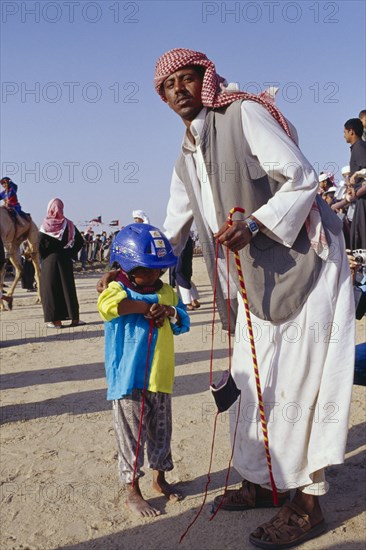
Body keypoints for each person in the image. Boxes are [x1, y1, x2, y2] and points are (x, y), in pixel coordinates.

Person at [152, 48, 355, 548]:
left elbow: (302, 176)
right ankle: (261, 483)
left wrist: (257, 222)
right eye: (168, 84)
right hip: (252, 282)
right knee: (249, 382)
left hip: (306, 267)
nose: (179, 88)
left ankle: (307, 503)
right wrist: (132, 268)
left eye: (188, 77)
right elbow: (173, 231)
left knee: (302, 386)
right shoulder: (185, 157)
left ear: (207, 78)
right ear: (161, 96)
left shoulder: (244, 113)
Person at [97, 223, 190, 517]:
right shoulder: (116, 288)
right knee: (131, 437)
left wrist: (170, 310)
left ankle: (159, 479)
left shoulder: (166, 292)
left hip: (160, 377)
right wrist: (146, 307)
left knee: (161, 432)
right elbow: (109, 306)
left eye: (158, 270)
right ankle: (132, 490)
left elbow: (182, 322)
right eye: (146, 270)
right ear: (125, 265)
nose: (154, 276)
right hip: (128, 380)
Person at [38, 198, 85, 328]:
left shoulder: (45, 225)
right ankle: (74, 319)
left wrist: (44, 256)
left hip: (49, 262)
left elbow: (39, 244)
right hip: (65, 260)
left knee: (51, 290)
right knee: (68, 289)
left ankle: (56, 322)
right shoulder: (68, 224)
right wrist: (69, 253)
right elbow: (80, 241)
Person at [344, 118, 366, 250]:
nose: (344, 135)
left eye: (345, 131)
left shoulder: (360, 148)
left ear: (351, 132)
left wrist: (356, 190)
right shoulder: (357, 148)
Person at [169, 233, 200, 310]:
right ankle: (194, 299)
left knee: (179, 274)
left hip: (179, 243)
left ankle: (187, 302)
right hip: (181, 242)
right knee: (184, 275)